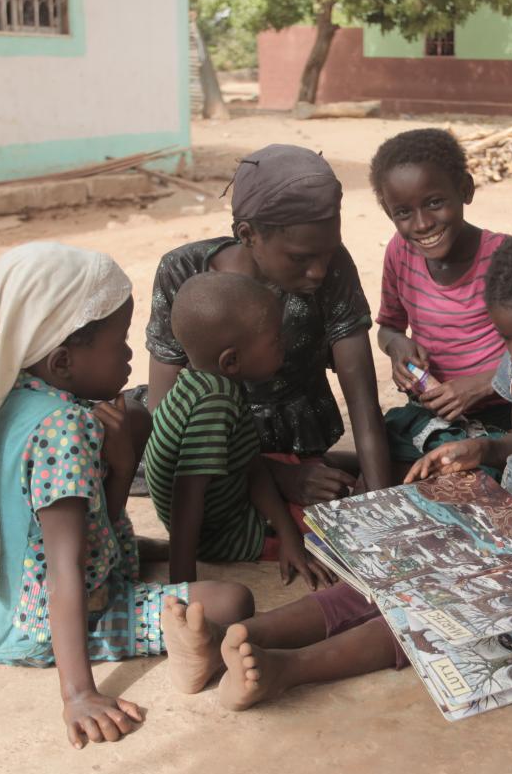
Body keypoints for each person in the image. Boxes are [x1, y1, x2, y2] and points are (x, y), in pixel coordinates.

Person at [165, 230, 512, 711]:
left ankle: (287, 669)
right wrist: (481, 451)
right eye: (506, 340)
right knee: (392, 577)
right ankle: (228, 638)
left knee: (455, 617)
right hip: (504, 514)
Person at [0, 242, 253, 750]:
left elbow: (79, 521)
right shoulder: (65, 429)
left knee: (129, 441)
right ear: (64, 359)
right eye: (119, 342)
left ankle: (159, 606)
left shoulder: (9, 394)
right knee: (231, 600)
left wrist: (119, 465)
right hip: (33, 626)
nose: (131, 354)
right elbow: (62, 568)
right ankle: (187, 648)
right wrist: (78, 693)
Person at [144, 144, 391, 506]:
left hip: (298, 435)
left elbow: (364, 404)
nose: (318, 271)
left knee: (389, 463)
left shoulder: (333, 266)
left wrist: (382, 497)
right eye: (300, 258)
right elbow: (162, 412)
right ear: (247, 235)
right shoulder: (184, 272)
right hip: (210, 441)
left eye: (328, 252)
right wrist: (281, 477)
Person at [142, 271, 332, 591]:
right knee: (332, 526)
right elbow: (187, 500)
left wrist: (287, 534)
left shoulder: (201, 381)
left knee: (302, 471)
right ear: (231, 361)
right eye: (275, 339)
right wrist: (182, 590)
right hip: (228, 536)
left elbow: (250, 465)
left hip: (231, 501)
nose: (283, 344)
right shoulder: (214, 404)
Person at [369, 128, 510, 475]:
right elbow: (388, 327)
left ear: (465, 189)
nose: (422, 224)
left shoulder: (506, 260)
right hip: (434, 412)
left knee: (468, 482)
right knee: (386, 452)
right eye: (403, 212)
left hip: (506, 414)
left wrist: (483, 383)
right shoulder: (400, 252)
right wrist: (398, 345)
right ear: (389, 213)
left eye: (434, 202)